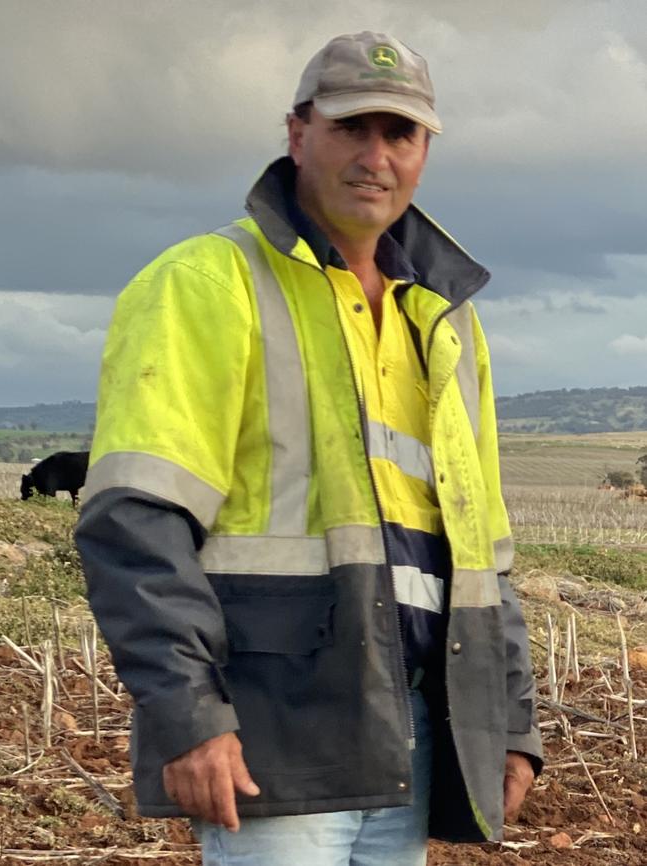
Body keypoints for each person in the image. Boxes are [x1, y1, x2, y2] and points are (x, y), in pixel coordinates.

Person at [76, 30, 543, 866]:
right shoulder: (204, 283)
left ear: (424, 152)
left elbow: (484, 550)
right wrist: (190, 716)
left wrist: (508, 721)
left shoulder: (444, 322)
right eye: (350, 127)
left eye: (399, 134)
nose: (376, 156)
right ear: (297, 133)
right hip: (269, 738)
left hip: (409, 733)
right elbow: (134, 521)